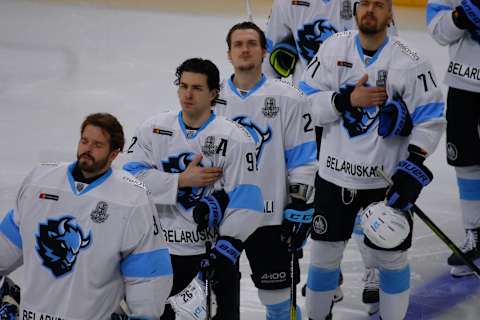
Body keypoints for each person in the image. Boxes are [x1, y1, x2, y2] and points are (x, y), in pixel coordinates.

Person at [299, 0, 446, 319]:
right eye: (364, 3)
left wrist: (414, 163)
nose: (370, 10)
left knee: (392, 260)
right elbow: (305, 103)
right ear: (354, 10)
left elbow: (431, 117)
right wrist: (344, 100)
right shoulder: (331, 48)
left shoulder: (411, 61)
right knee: (324, 258)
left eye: (379, 4)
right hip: (334, 177)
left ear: (390, 13)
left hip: (384, 182)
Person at [263, 0, 398, 312]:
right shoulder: (286, 3)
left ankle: (374, 270)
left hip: (362, 111)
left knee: (365, 191)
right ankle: (329, 275)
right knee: (316, 196)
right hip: (312, 109)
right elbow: (271, 54)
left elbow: (392, 47)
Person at [123, 57, 264, 320]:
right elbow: (128, 179)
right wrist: (180, 181)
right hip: (160, 255)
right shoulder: (154, 128)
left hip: (210, 258)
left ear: (213, 94)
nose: (188, 94)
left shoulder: (234, 137)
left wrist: (225, 250)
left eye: (197, 88)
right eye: (183, 86)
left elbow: (248, 200)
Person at [0, 113, 173, 320]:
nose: (87, 150)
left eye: (98, 145)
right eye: (84, 141)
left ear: (114, 154)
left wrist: (144, 315)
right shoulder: (40, 181)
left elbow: (147, 273)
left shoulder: (132, 199)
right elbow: (9, 243)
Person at [214, 21, 317, 320]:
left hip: (272, 219)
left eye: (252, 44)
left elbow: (303, 158)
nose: (245, 49)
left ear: (263, 52)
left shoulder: (290, 97)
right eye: (238, 44)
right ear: (229, 54)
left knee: (279, 305)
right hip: (223, 220)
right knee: (221, 305)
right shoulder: (212, 98)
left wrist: (299, 202)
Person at [426, 0, 480, 277]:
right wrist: (460, 16)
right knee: (466, 161)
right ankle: (475, 235)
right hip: (464, 83)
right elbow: (437, 30)